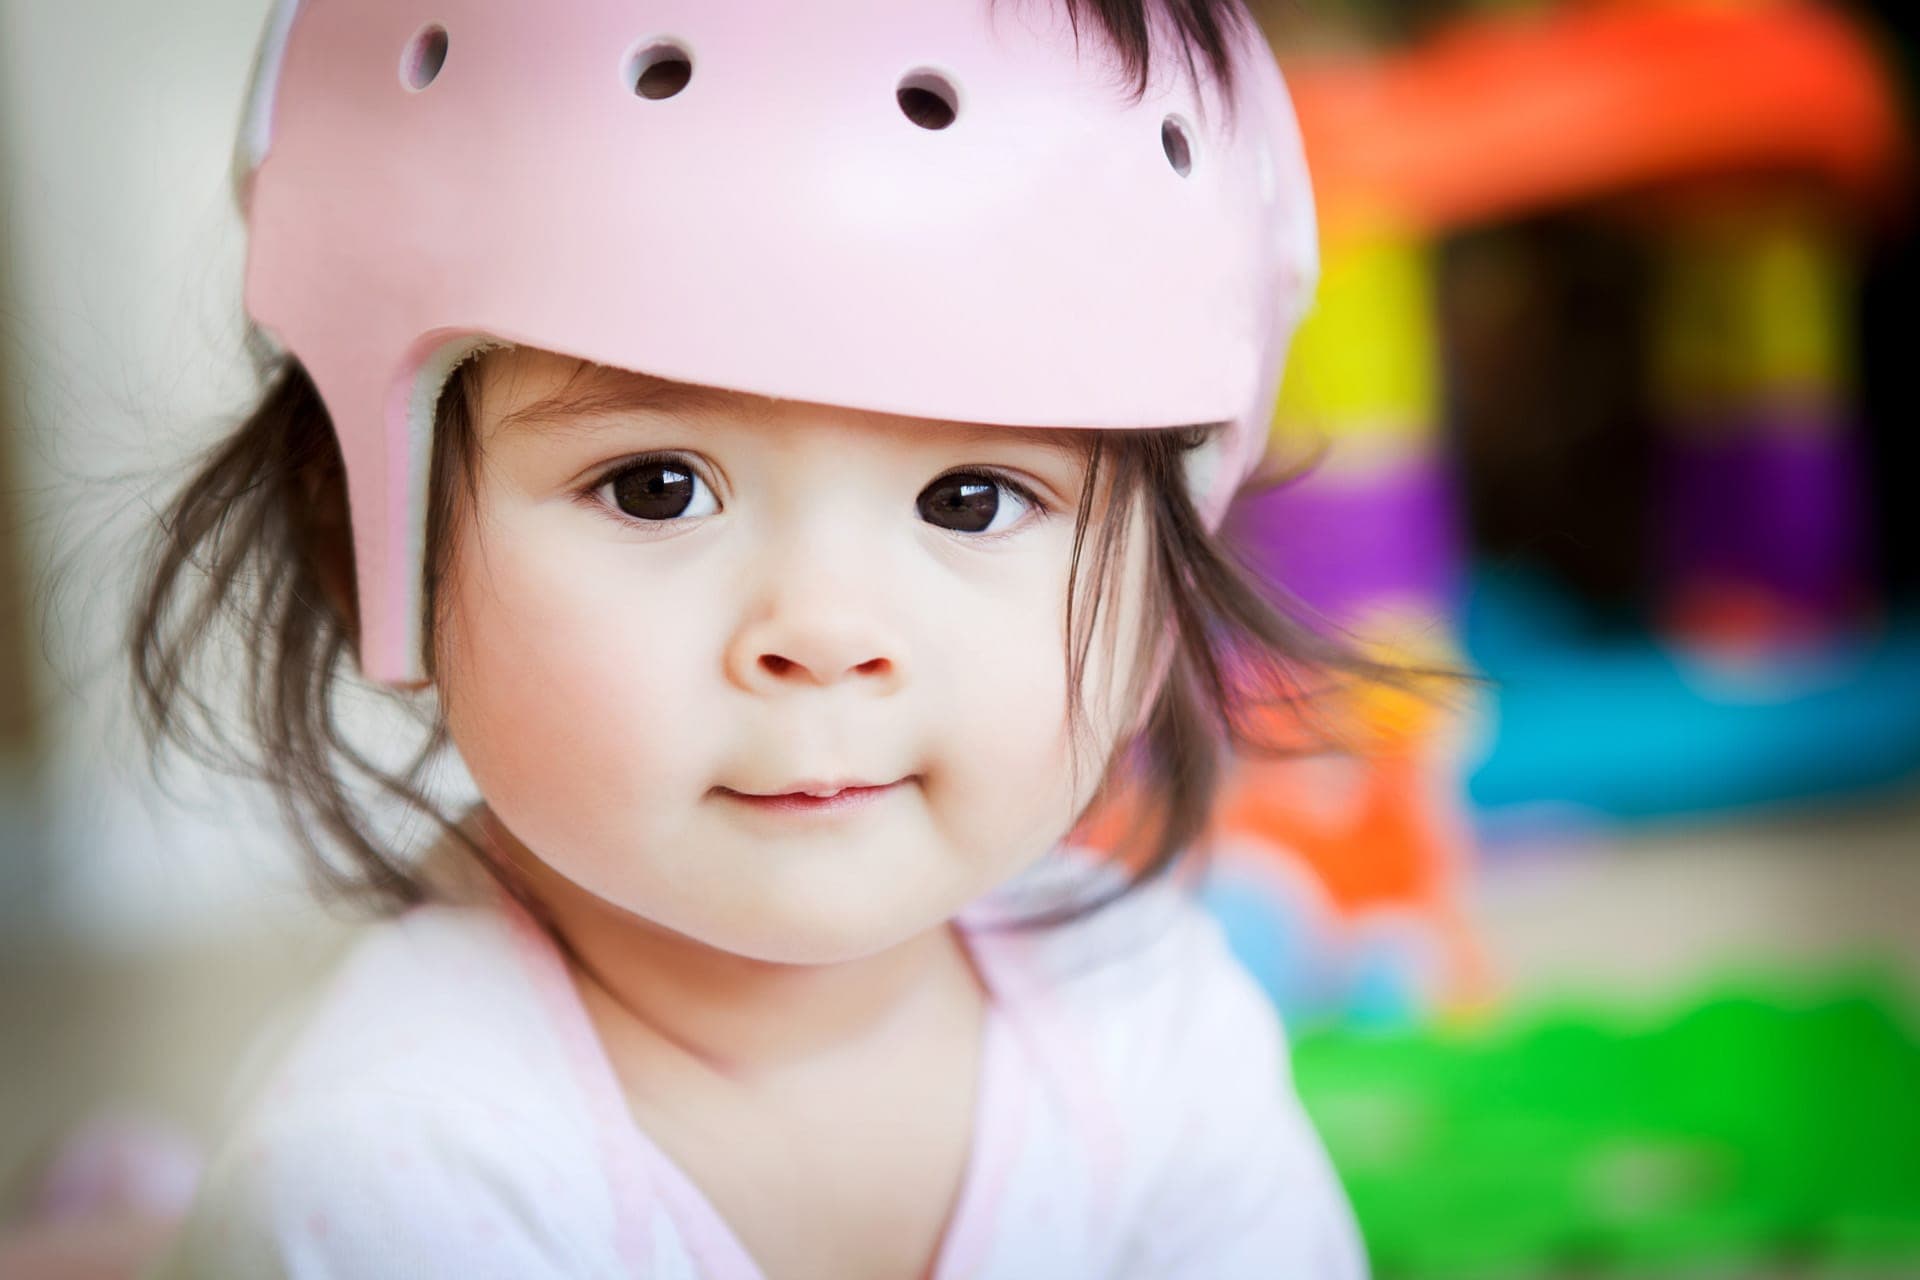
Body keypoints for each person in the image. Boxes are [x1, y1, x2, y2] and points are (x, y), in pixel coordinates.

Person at [114, 0, 1424, 1274]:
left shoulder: (1156, 1020)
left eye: (971, 499)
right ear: (367, 534)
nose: (825, 632)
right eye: (656, 486)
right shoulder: (388, 1183)